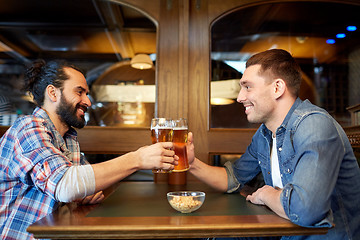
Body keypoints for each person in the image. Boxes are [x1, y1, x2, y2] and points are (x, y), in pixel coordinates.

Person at [187, 49, 360, 240]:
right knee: (208, 234)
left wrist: (267, 195)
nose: (240, 97)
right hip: (283, 233)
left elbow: (307, 210)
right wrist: (192, 163)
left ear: (277, 88)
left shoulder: (314, 125)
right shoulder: (265, 134)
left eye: (247, 87)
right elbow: (232, 177)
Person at [0, 59, 178, 239]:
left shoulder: (67, 138)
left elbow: (82, 183)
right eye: (80, 92)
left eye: (87, 93)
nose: (88, 101)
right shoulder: (28, 128)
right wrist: (138, 159)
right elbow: (66, 185)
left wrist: (83, 191)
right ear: (53, 93)